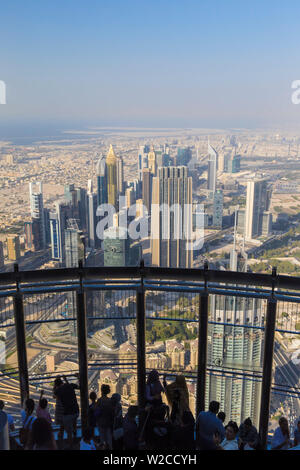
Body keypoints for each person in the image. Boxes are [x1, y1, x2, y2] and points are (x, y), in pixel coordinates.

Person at [54, 374, 79, 449]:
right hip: (76, 411)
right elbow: (79, 387)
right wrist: (65, 380)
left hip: (68, 414)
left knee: (69, 433)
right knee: (74, 425)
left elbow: (54, 394)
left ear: (57, 385)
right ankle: (76, 438)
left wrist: (57, 380)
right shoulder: (70, 385)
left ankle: (71, 446)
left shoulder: (58, 391)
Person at [95, 384, 114, 450]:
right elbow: (112, 413)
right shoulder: (110, 401)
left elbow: (96, 413)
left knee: (102, 439)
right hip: (108, 422)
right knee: (109, 439)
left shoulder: (99, 401)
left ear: (101, 391)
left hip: (101, 422)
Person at [53, 376, 65, 441]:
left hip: (59, 408)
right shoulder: (63, 389)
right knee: (62, 425)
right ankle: (61, 436)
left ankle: (60, 438)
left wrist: (54, 386)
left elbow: (54, 396)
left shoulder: (57, 391)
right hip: (63, 407)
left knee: (60, 424)